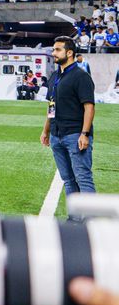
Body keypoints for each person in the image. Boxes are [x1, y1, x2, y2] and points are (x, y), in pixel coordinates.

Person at [41, 36, 96, 200]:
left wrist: (85, 134)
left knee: (83, 179)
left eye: (58, 50)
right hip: (56, 136)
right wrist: (46, 131)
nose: (54, 53)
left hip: (75, 135)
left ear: (70, 53)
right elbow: (52, 106)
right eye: (53, 49)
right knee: (68, 180)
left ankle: (92, 221)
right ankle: (74, 220)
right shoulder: (54, 77)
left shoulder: (81, 76)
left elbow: (89, 107)